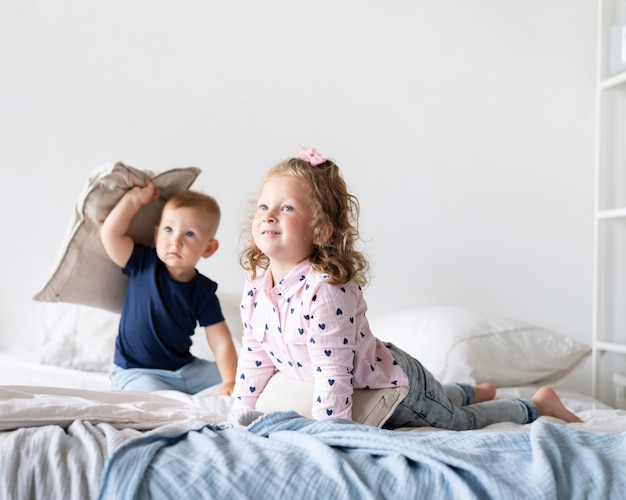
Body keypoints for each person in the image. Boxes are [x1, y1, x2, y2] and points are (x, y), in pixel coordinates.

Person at [232, 148, 581, 429]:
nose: (268, 215)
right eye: (264, 206)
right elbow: (255, 353)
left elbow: (332, 375)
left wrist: (332, 436)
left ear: (321, 230)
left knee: (459, 422)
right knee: (440, 395)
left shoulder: (324, 290)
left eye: (287, 208)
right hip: (376, 376)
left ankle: (535, 404)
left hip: (394, 389)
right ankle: (473, 390)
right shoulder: (257, 281)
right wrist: (241, 412)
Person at [101, 180, 238, 395]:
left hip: (184, 370)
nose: (176, 241)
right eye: (168, 229)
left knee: (243, 374)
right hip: (136, 371)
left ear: (209, 248)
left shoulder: (203, 291)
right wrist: (134, 199)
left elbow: (220, 341)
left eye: (189, 234)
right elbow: (110, 235)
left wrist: (230, 381)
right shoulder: (142, 263)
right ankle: (160, 394)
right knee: (154, 399)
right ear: (157, 235)